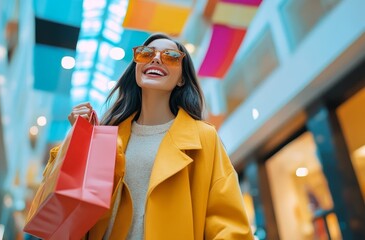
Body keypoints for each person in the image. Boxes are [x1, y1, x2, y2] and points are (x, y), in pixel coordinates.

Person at [51, 33, 253, 239]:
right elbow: (66, 205)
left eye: (171, 56)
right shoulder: (107, 136)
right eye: (146, 54)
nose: (156, 59)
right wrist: (78, 140)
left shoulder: (202, 138)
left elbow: (228, 224)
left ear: (182, 78)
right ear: (136, 68)